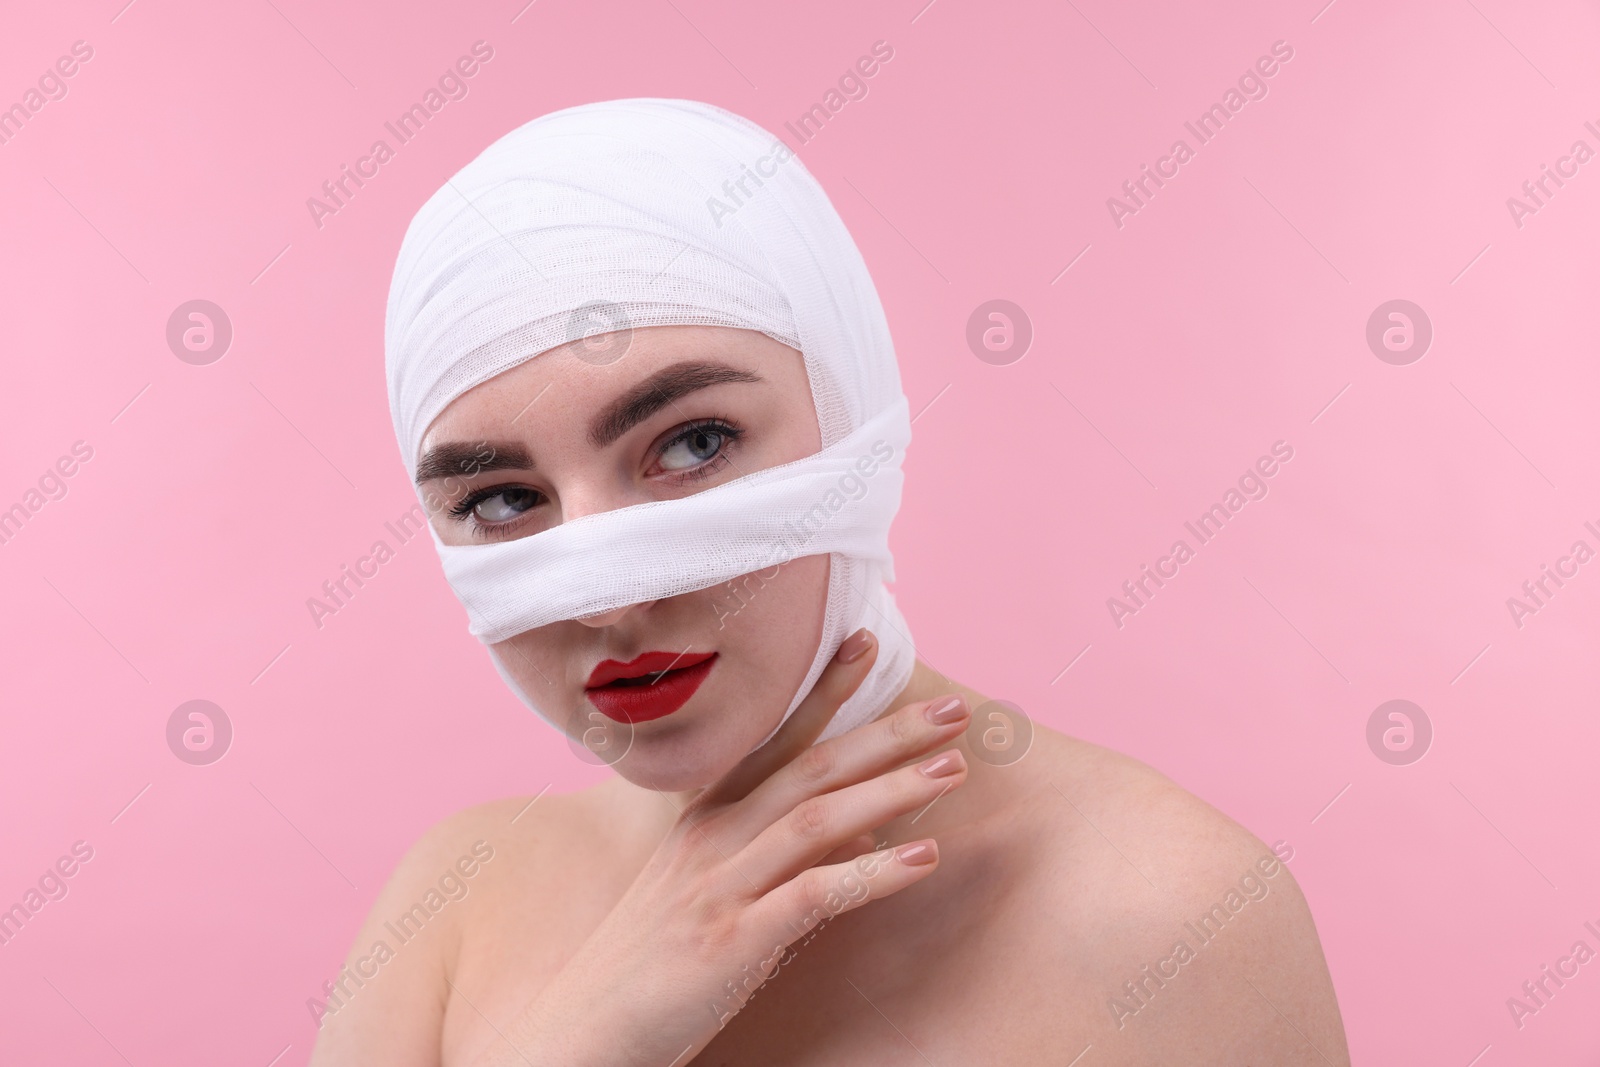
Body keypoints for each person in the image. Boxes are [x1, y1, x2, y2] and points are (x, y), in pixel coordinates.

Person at [309, 98, 1349, 1066]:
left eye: (695, 441)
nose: (608, 599)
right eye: (499, 500)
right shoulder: (450, 907)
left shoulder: (1166, 913)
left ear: (854, 425)